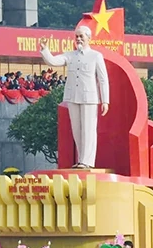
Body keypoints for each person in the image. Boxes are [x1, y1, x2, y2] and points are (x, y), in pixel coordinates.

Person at [39, 25, 110, 169]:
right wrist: (45, 50)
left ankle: (87, 161)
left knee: (88, 130)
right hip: (73, 96)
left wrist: (105, 100)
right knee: (77, 130)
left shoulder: (95, 56)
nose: (78, 39)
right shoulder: (70, 55)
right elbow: (53, 61)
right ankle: (81, 159)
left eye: (81, 36)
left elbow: (103, 79)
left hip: (89, 97)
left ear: (88, 38)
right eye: (76, 36)